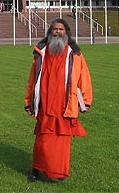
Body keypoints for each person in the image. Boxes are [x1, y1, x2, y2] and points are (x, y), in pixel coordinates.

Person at [24, 18, 93, 182]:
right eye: (55, 29)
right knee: (42, 140)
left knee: (61, 142)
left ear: (66, 32)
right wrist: (29, 101)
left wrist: (86, 101)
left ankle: (58, 171)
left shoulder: (74, 54)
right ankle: (36, 170)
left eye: (61, 29)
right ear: (50, 32)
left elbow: (84, 78)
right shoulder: (41, 52)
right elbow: (32, 79)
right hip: (45, 104)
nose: (57, 32)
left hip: (64, 105)